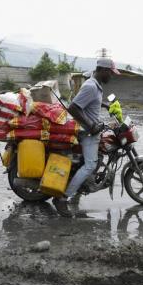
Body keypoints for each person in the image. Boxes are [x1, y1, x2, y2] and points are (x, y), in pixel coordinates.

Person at [52, 58, 120, 217]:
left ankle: (79, 187)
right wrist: (91, 125)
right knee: (90, 165)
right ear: (103, 70)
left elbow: (91, 102)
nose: (111, 76)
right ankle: (62, 199)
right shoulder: (90, 86)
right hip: (87, 133)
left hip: (91, 129)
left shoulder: (96, 84)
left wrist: (105, 106)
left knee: (98, 155)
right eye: (110, 73)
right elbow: (73, 107)